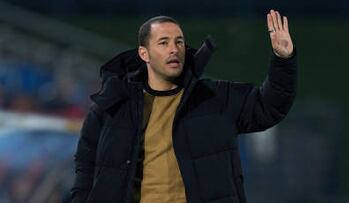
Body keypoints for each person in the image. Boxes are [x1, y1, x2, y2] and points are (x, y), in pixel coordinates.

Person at [71, 9, 297, 203]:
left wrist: (282, 59)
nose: (174, 49)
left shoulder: (214, 98)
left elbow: (269, 107)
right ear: (144, 53)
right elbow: (85, 165)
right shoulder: (113, 105)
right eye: (163, 42)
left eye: (179, 41)